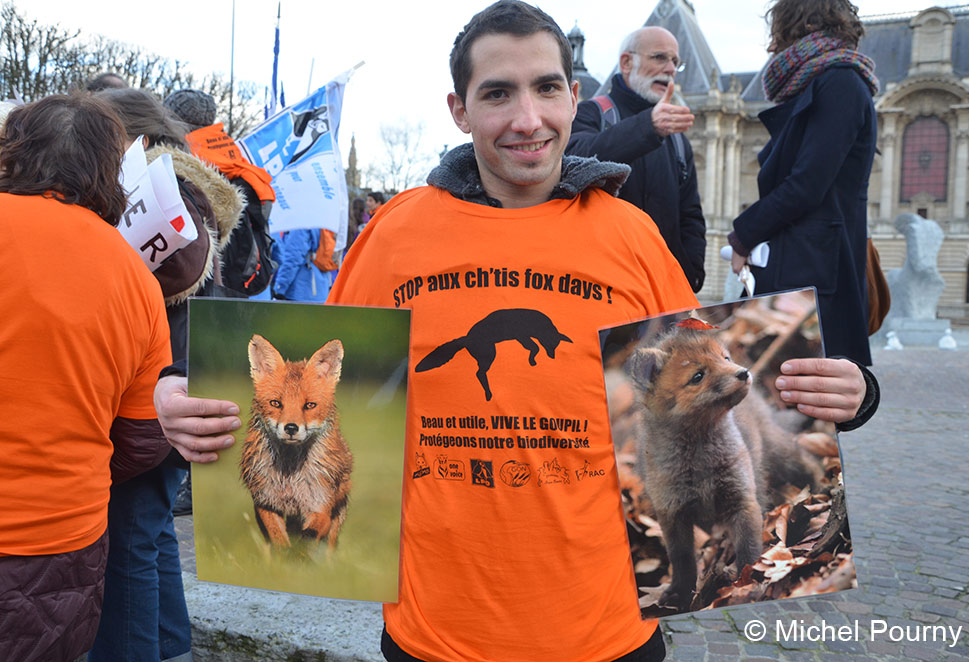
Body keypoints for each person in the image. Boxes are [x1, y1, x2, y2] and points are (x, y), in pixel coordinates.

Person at [153, 2, 876, 660]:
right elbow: (311, 377)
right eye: (498, 93)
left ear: (573, 97)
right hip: (437, 634)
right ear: (459, 109)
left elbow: (713, 375)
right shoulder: (396, 234)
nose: (528, 118)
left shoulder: (631, 237)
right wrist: (182, 393)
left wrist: (851, 393)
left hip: (605, 633)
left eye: (547, 88)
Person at [0, 94, 173, 662]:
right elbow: (144, 436)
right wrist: (74, 466)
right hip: (63, 543)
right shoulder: (136, 277)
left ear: (13, 151)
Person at [89, 88, 242, 662]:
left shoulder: (156, 191)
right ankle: (172, 646)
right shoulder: (185, 189)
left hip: (156, 388)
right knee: (150, 531)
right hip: (181, 374)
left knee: (128, 535)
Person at [727, 0, 879, 366]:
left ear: (800, 24)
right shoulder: (824, 81)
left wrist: (742, 236)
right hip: (804, 261)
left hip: (815, 267)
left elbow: (808, 184)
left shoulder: (840, 82)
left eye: (778, 31)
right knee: (775, 376)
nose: (773, 44)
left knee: (798, 381)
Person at [567, 26, 706, 293]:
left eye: (675, 61)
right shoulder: (592, 113)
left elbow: (691, 215)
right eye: (659, 57)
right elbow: (575, 159)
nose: (670, 68)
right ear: (627, 63)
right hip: (600, 287)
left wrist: (690, 274)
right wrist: (648, 127)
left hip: (663, 289)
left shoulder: (677, 139)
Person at [164, 88, 277, 299]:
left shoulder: (182, 165)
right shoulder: (235, 158)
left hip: (204, 290)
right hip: (247, 285)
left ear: (173, 122)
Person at [270, 228, 333, 302]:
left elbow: (293, 258)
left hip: (300, 291)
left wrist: (280, 287)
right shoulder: (323, 224)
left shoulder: (300, 226)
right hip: (321, 288)